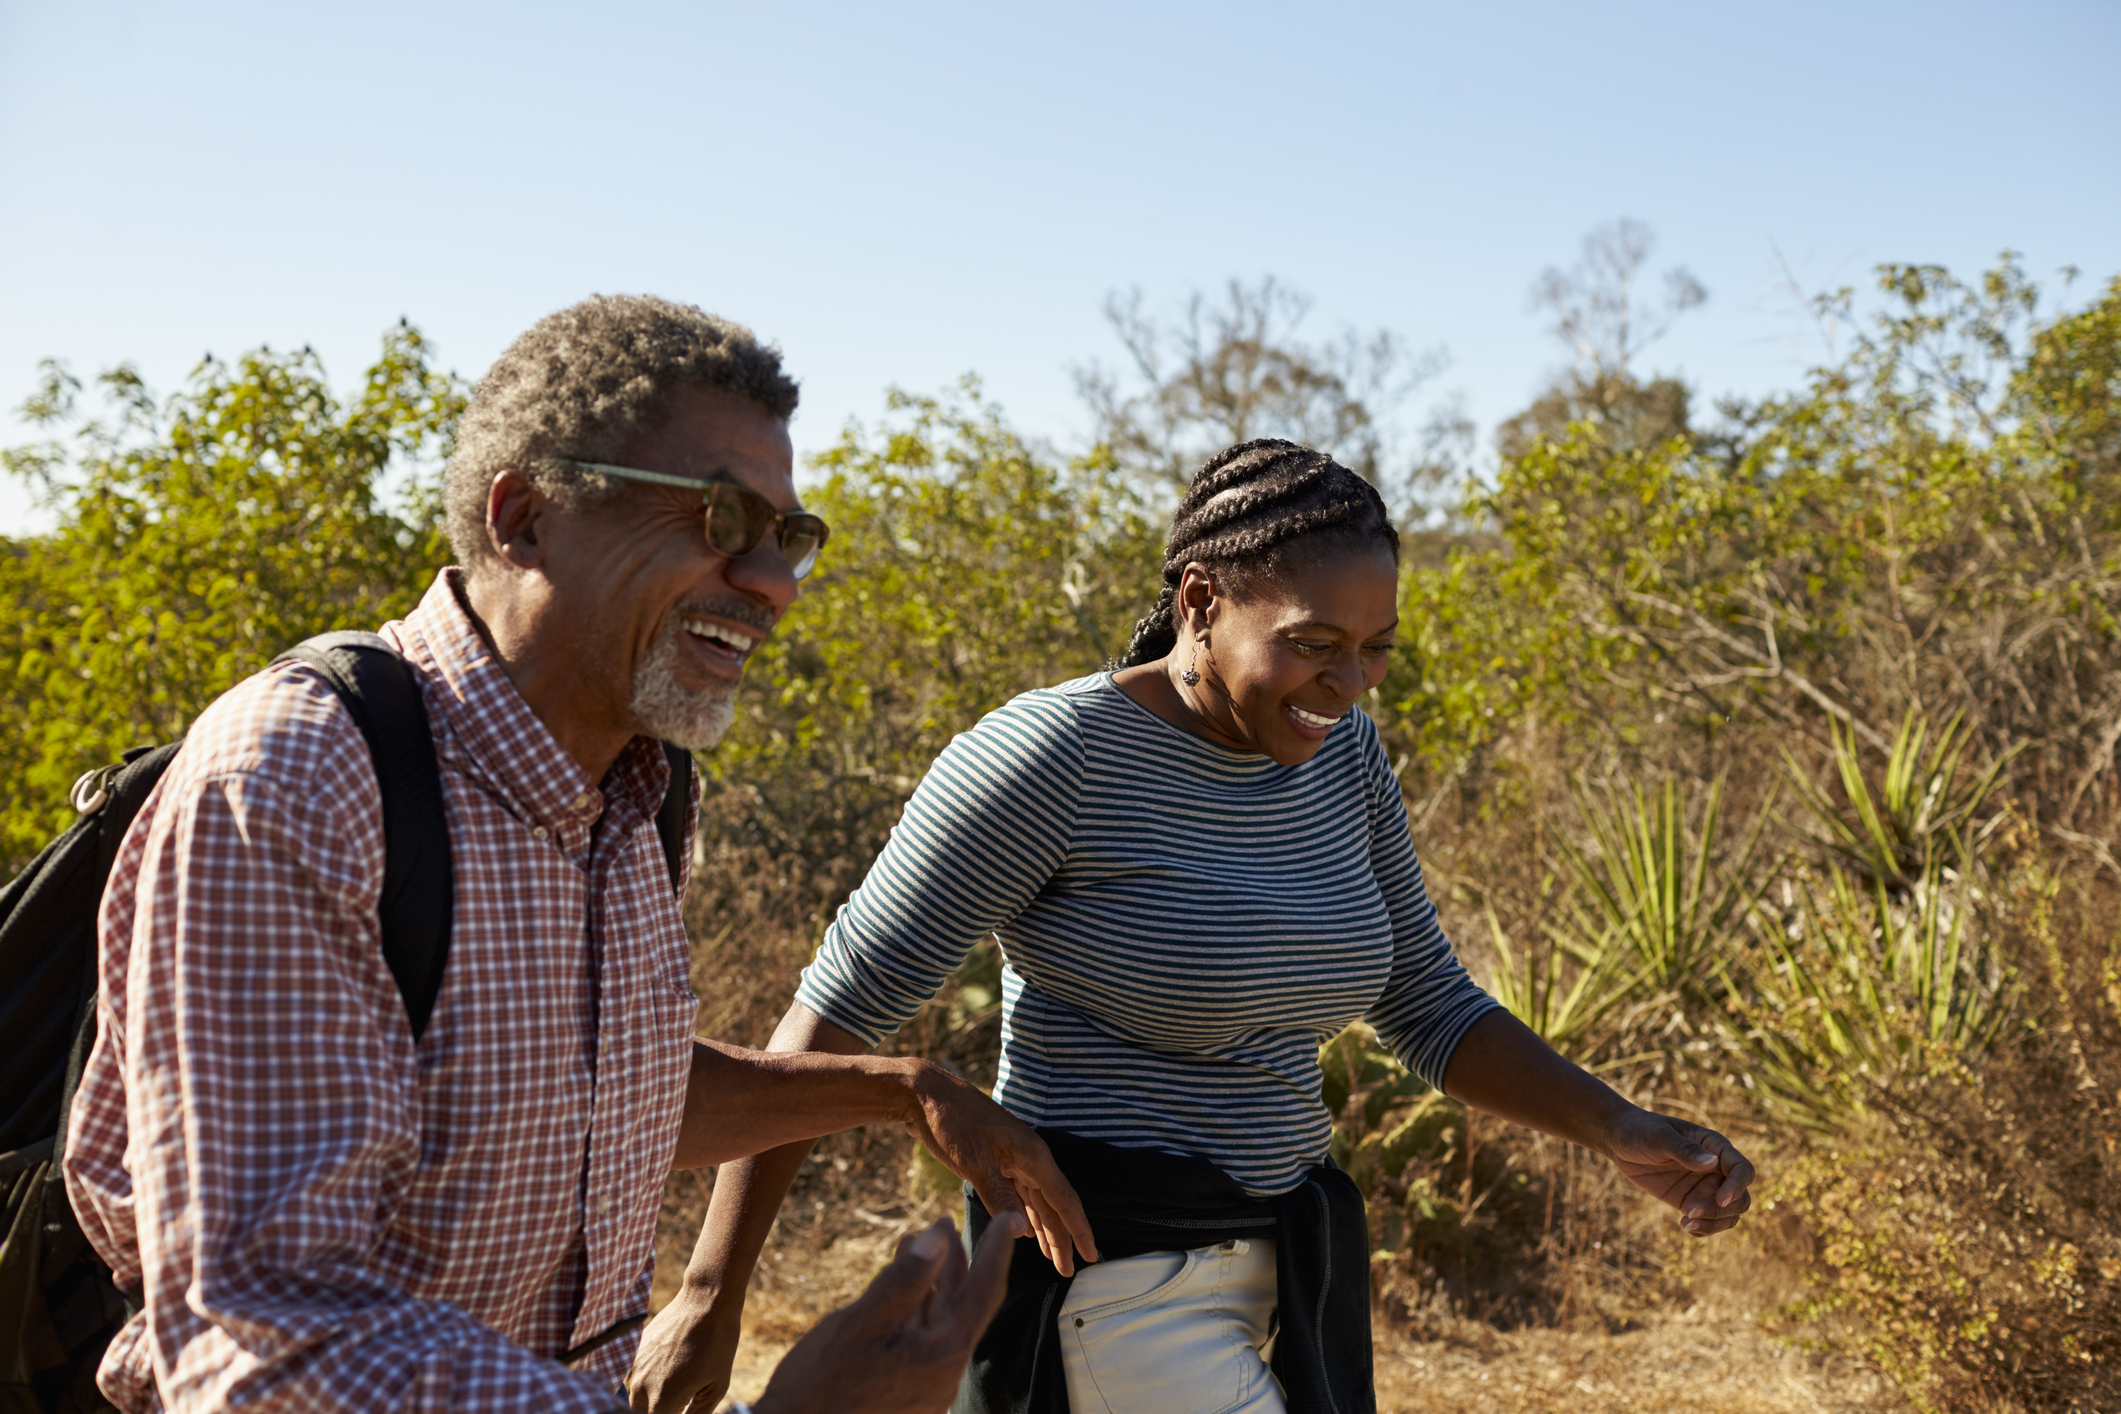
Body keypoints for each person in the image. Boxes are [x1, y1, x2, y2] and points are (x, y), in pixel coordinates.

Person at [60, 294, 1094, 1414]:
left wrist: (901, 1091)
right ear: (524, 516)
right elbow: (266, 1339)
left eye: (791, 537)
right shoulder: (302, 776)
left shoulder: (641, 788)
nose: (776, 585)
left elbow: (600, 1091)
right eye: (720, 520)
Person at [634, 440, 1756, 1414]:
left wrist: (1615, 1127)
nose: (1350, 684)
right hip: (1110, 1270)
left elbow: (1425, 1000)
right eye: (1316, 642)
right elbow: (834, 1016)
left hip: (1288, 1265)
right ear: (1200, 602)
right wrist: (709, 1294)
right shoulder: (1052, 758)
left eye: (1376, 650)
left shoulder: (1340, 754)